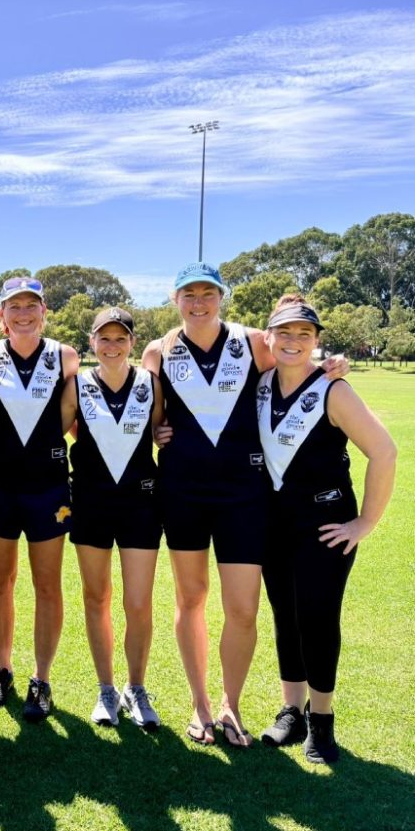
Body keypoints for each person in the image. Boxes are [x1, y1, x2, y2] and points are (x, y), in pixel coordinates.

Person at [141, 262, 346, 747]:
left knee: (243, 608)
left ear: (221, 297)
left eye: (207, 293)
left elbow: (300, 369)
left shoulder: (254, 341)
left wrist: (334, 366)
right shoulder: (159, 350)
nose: (198, 302)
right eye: (188, 294)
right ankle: (201, 706)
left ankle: (231, 705)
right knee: (190, 600)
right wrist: (156, 431)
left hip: (243, 496)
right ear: (175, 301)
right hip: (183, 493)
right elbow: (150, 416)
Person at [256, 296, 395, 763]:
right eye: (285, 333)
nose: (294, 342)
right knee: (285, 617)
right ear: (268, 337)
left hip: (326, 524)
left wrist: (366, 521)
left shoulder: (334, 389)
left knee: (316, 618)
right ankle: (291, 712)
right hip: (275, 523)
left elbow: (384, 451)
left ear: (317, 342)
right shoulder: (260, 384)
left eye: (305, 335)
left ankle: (322, 722)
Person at [0, 276, 79, 722]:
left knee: (47, 584)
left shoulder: (66, 356)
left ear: (44, 311)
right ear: (1, 316)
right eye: (13, 306)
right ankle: (3, 669)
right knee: (1, 581)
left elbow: (76, 417)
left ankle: (42, 679)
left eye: (30, 306)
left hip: (48, 486)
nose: (22, 313)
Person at [63, 308, 163, 729]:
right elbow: (65, 427)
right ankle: (106, 689)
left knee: (138, 603)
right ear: (92, 343)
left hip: (141, 502)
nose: (112, 345)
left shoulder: (150, 383)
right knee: (96, 597)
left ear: (132, 343)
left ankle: (135, 688)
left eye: (120, 338)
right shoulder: (78, 384)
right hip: (90, 501)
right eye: (104, 338)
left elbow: (160, 429)